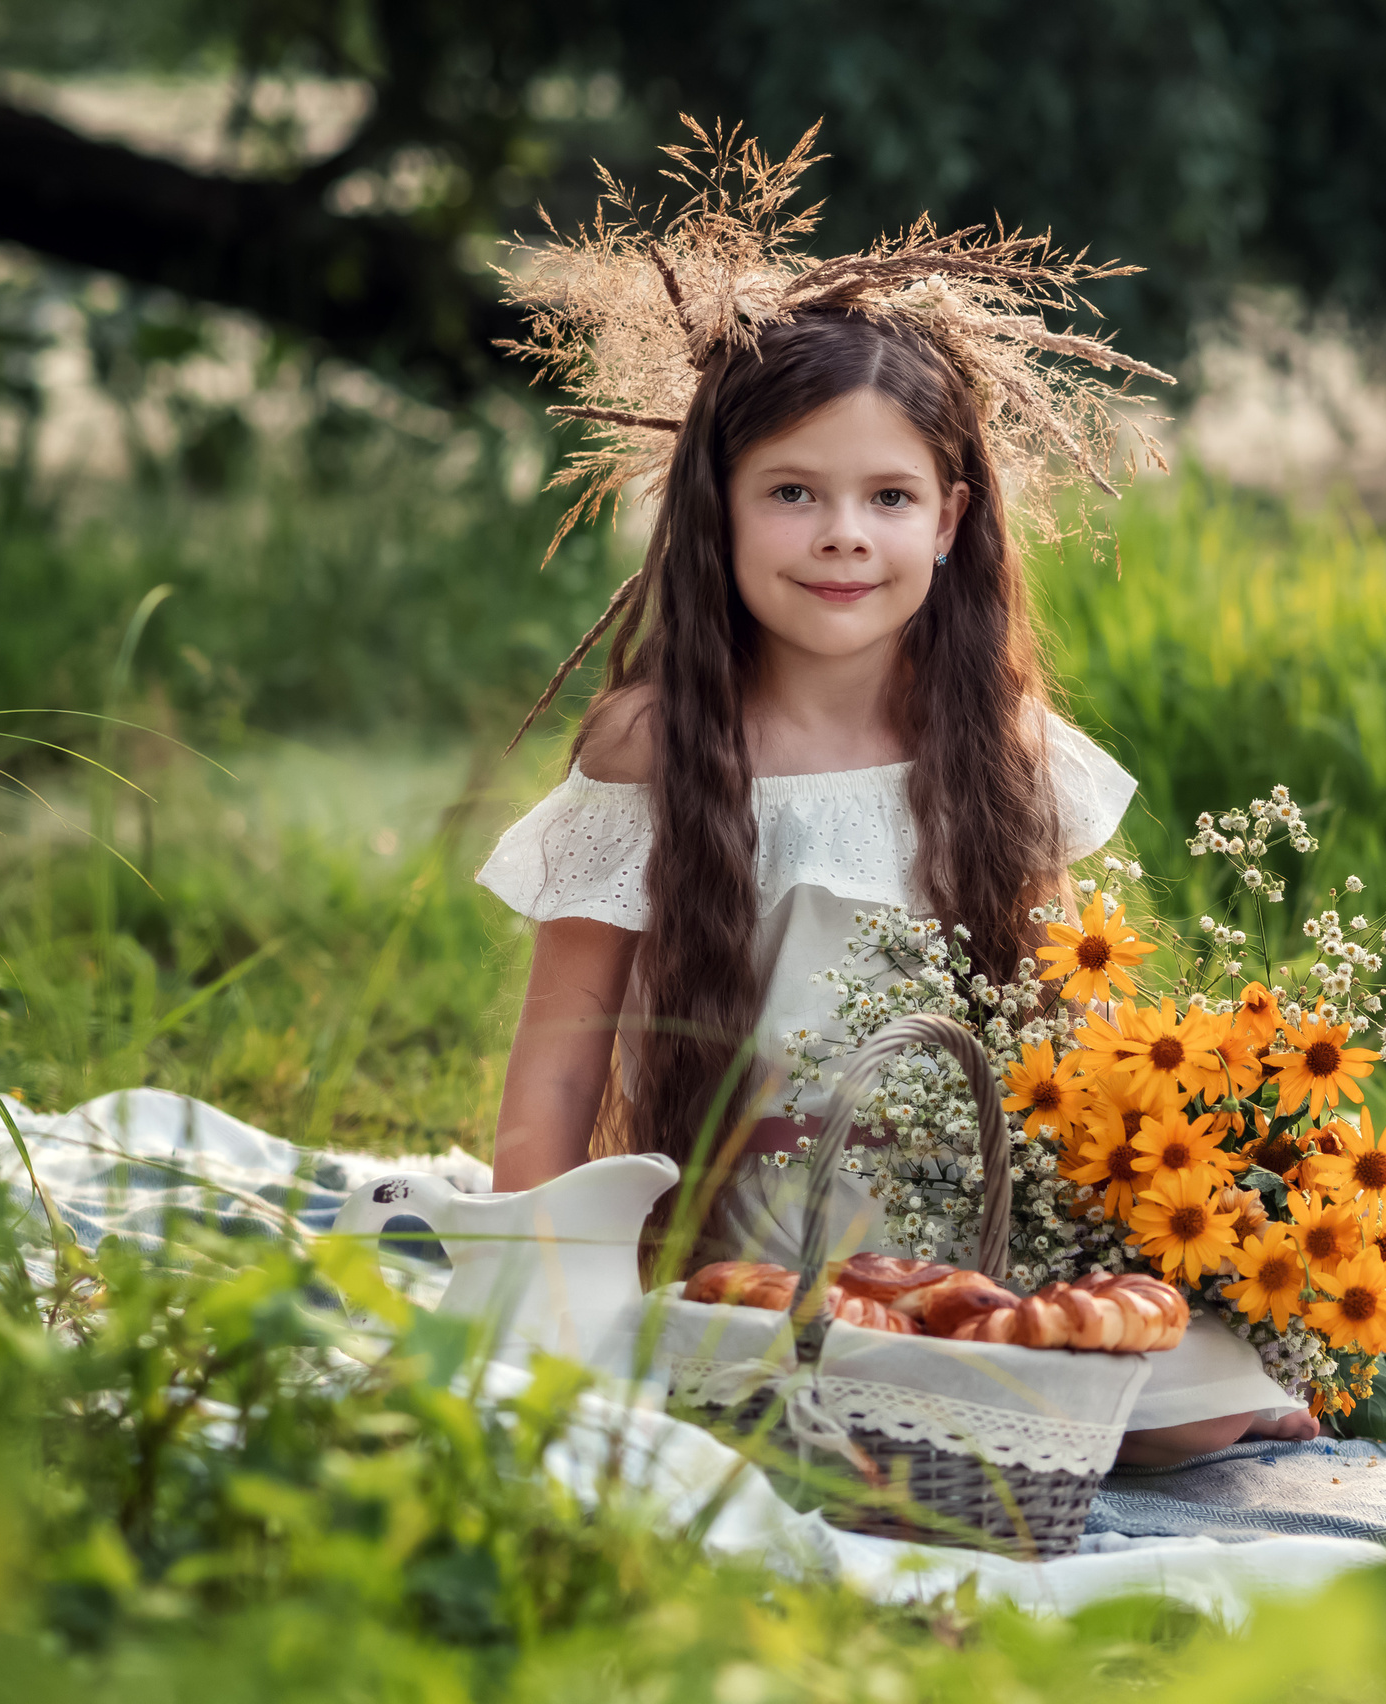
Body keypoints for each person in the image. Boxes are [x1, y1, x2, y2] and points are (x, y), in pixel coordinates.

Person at [472, 135, 1312, 1464]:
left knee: (1194, 1404)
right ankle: (863, 1398)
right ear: (718, 510)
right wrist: (534, 1288)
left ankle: (1013, 1390)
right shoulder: (650, 745)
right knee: (807, 1400)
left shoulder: (999, 744)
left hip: (978, 1237)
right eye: (793, 493)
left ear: (950, 517)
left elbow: (1075, 1033)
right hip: (759, 1249)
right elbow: (563, 1051)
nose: (843, 535)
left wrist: (1169, 1205)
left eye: (888, 497)